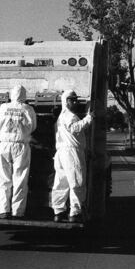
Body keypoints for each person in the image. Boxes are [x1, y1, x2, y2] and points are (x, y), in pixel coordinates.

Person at [51, 89, 94, 223]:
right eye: (71, 99)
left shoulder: (62, 116)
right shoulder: (69, 116)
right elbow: (75, 128)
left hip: (62, 153)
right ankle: (75, 213)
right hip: (71, 153)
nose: (74, 102)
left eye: (75, 99)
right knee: (77, 182)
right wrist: (89, 118)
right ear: (65, 101)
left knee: (61, 183)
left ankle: (59, 211)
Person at [0, 84, 37, 219]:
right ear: (24, 96)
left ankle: (3, 210)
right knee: (20, 178)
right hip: (21, 145)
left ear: (12, 94)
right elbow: (33, 127)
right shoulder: (28, 109)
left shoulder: (3, 107)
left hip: (4, 145)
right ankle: (17, 211)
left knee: (3, 179)